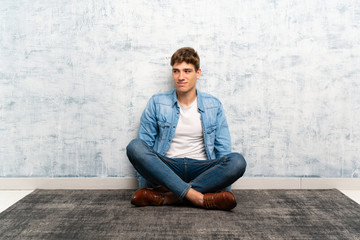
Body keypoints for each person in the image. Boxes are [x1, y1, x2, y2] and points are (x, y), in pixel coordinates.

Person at [126, 47, 246, 210]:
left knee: (237, 161)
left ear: (198, 73)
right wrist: (145, 184)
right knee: (135, 147)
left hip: (202, 170)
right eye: (176, 71)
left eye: (187, 71)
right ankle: (198, 198)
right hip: (167, 169)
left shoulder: (213, 105)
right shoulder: (156, 102)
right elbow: (144, 150)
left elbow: (223, 150)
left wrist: (222, 184)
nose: (181, 77)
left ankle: (169, 198)